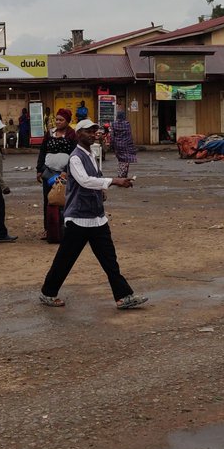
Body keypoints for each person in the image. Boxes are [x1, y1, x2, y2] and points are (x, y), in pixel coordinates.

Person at [39, 120, 148, 310]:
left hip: (97, 218)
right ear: (78, 134)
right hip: (79, 219)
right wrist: (114, 181)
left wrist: (102, 190)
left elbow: (95, 178)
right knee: (65, 260)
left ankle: (124, 296)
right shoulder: (75, 158)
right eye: (88, 131)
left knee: (109, 260)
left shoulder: (91, 154)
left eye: (94, 131)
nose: (92, 134)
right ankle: (48, 292)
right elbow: (85, 181)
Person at [35, 107, 76, 238]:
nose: (58, 122)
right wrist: (39, 169)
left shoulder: (72, 135)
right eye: (57, 119)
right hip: (48, 172)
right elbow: (42, 151)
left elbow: (74, 155)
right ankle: (49, 229)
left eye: (61, 120)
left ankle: (66, 229)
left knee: (65, 201)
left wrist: (66, 171)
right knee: (48, 200)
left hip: (65, 174)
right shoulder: (49, 133)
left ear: (67, 121)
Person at [111, 109, 137, 178]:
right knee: (126, 160)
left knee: (120, 160)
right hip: (126, 144)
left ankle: (123, 175)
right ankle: (122, 175)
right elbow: (129, 135)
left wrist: (112, 146)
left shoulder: (114, 124)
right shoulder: (127, 124)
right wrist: (131, 145)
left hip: (117, 145)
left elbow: (112, 136)